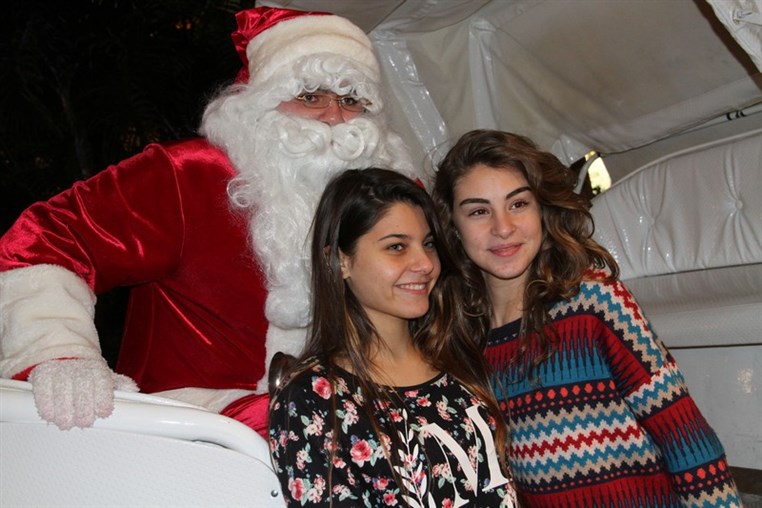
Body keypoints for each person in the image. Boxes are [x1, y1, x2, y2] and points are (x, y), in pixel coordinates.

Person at [0, 6, 417, 436]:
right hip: (194, 432)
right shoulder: (187, 175)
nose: (333, 116)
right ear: (260, 102)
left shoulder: (393, 197)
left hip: (353, 432)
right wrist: (58, 349)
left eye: (351, 100)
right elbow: (48, 238)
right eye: (310, 97)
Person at [432, 129, 741, 507]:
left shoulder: (593, 303)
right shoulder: (462, 338)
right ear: (453, 226)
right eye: (479, 211)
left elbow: (686, 437)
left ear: (542, 209)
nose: (503, 227)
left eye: (518, 204)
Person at [268, 168, 519, 507]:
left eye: (428, 244)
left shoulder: (457, 356)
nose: (424, 263)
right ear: (340, 261)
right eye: (396, 246)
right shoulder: (312, 397)